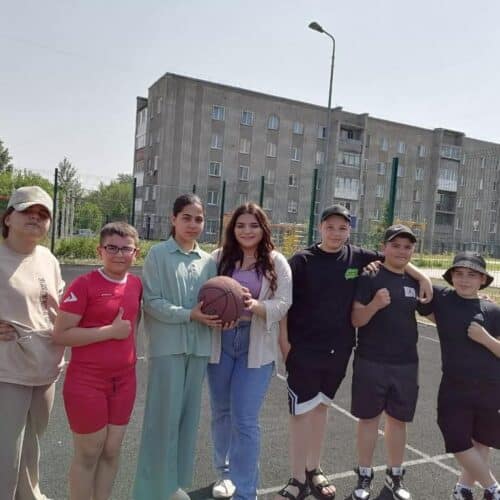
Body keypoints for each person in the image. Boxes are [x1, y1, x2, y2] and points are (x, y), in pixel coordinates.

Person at [276, 206, 432, 500]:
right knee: (301, 412)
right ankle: (296, 478)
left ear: (349, 230)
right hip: (304, 347)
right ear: (320, 228)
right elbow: (284, 301)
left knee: (321, 408)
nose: (336, 233)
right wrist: (284, 341)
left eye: (342, 228)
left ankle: (314, 469)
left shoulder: (357, 256)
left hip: (339, 349)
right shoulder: (302, 260)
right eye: (330, 227)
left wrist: (421, 276)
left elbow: (394, 257)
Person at [133, 193, 220, 500]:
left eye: (199, 219)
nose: (193, 224)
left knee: (187, 421)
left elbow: (214, 301)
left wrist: (224, 315)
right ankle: (150, 490)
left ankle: (173, 486)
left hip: (198, 348)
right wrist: (189, 314)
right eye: (186, 218)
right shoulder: (158, 254)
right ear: (173, 219)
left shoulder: (208, 261)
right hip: (167, 348)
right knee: (162, 421)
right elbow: (152, 302)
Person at [207, 203, 292, 500]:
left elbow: (284, 303)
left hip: (256, 345)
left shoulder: (276, 262)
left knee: (244, 418)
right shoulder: (218, 258)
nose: (247, 231)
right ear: (233, 229)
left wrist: (255, 306)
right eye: (241, 225)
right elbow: (202, 292)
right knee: (221, 412)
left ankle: (245, 492)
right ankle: (224, 474)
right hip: (221, 341)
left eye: (253, 225)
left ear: (263, 229)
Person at [53, 222, 142, 500]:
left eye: (126, 249)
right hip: (87, 381)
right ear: (99, 251)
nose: (119, 254)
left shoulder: (136, 284)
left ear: (136, 253)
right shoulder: (84, 284)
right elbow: (61, 334)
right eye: (111, 248)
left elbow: (133, 328)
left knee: (112, 450)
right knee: (89, 452)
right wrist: (109, 332)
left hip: (124, 381)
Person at [349, 224, 426, 500]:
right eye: (395, 245)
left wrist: (480, 300)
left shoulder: (415, 281)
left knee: (398, 421)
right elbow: (356, 319)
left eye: (407, 246)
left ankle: (395, 476)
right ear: (384, 248)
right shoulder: (369, 276)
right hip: (371, 360)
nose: (401, 251)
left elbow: (437, 312)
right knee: (369, 419)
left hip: (406, 364)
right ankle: (364, 475)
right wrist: (374, 305)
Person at [0, 186, 65, 500]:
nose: (36, 218)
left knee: (32, 444)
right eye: (28, 211)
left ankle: (30, 494)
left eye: (43, 214)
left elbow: (58, 306)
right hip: (8, 368)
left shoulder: (48, 259)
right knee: (6, 451)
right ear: (8, 218)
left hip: (46, 365)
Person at [419, 252, 500, 500]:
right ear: (451, 276)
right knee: (455, 438)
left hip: (489, 386)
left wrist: (485, 339)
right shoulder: (442, 298)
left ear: (483, 280)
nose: (465, 279)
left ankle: (463, 488)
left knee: (481, 440)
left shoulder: (492, 309)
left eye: (472, 275)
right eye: (459, 273)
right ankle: (493, 487)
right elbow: (410, 274)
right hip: (455, 385)